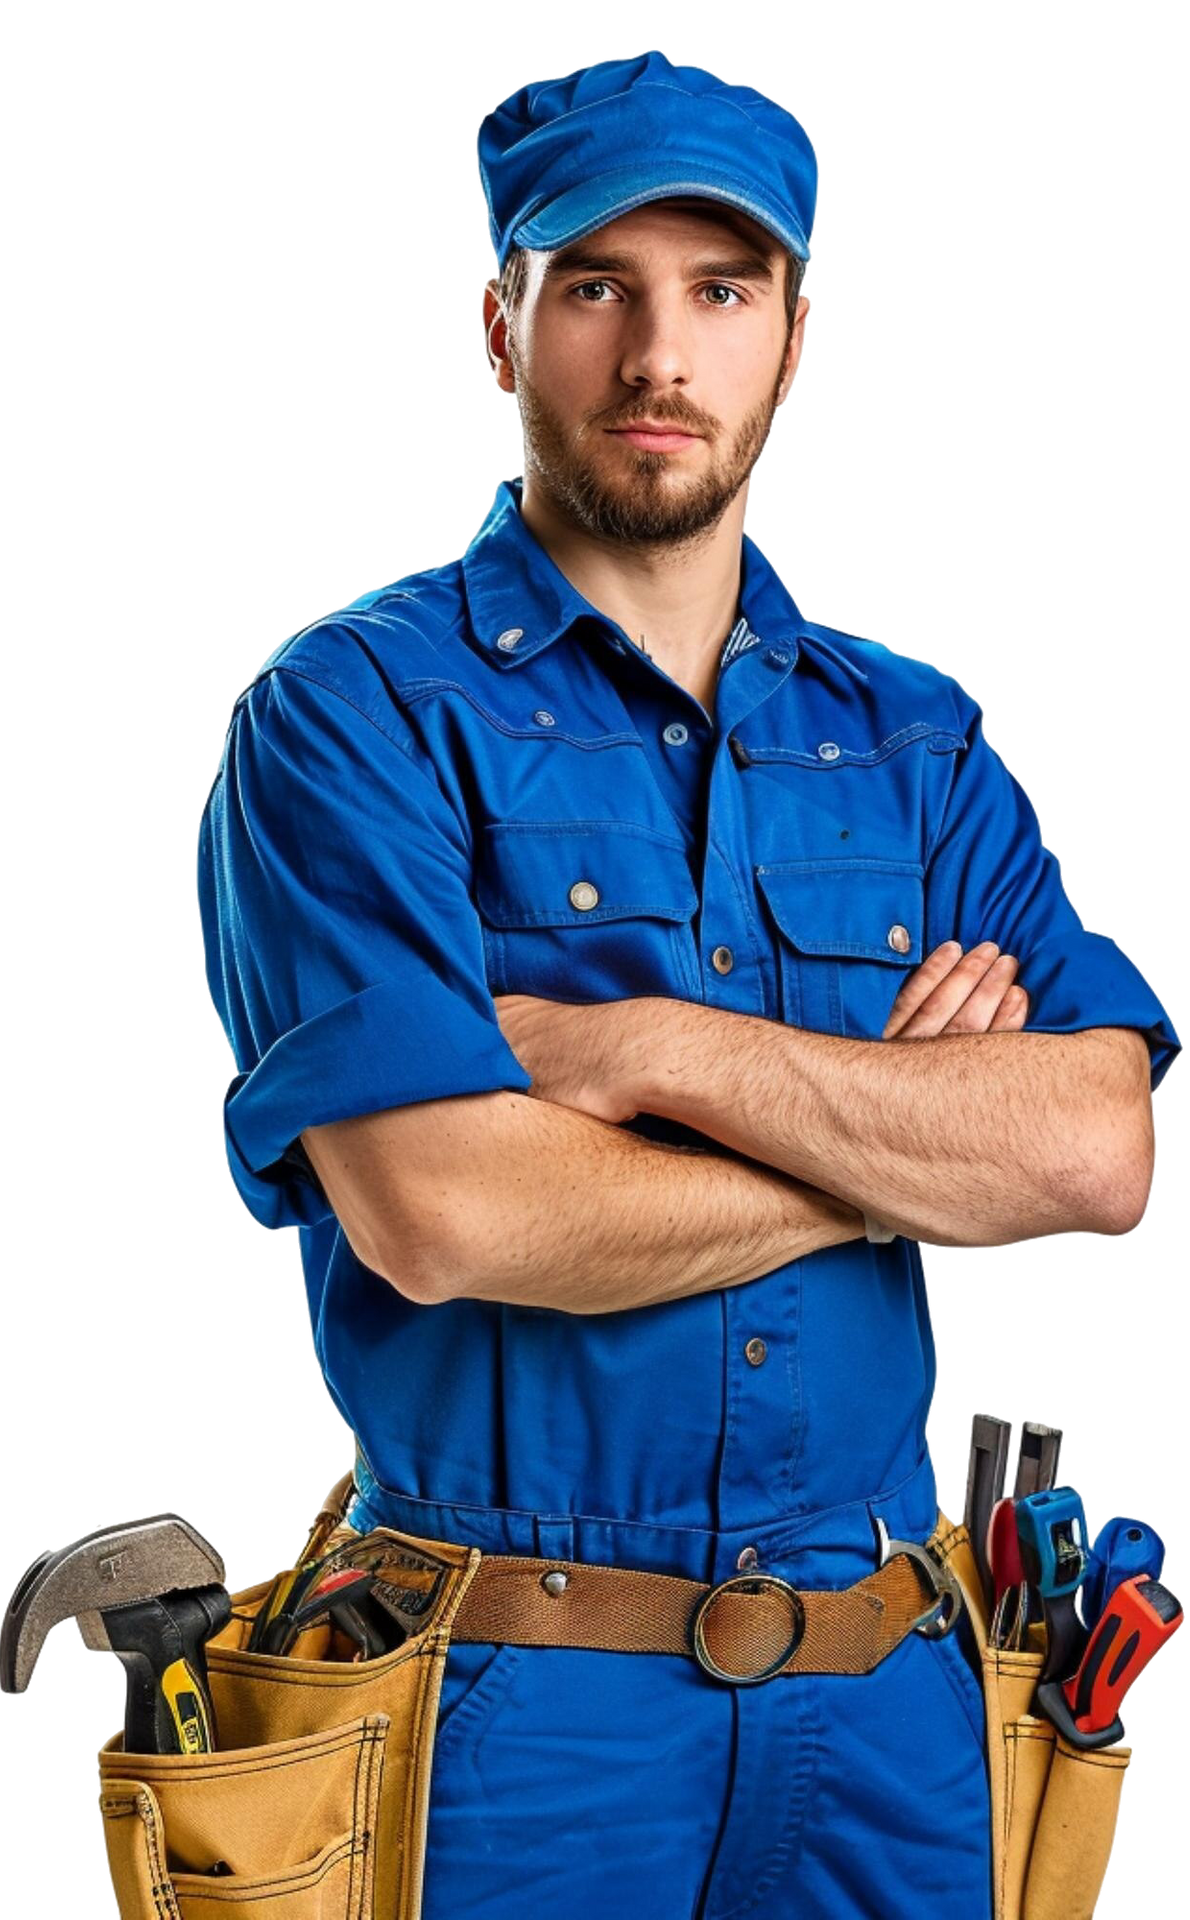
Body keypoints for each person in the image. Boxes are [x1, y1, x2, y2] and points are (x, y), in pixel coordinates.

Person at [194, 50, 1180, 1919]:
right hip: (515, 1707)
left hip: (894, 1709)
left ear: (793, 342)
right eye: (597, 288)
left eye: (721, 292)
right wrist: (892, 1152)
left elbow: (1091, 1154)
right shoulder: (349, 719)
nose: (661, 354)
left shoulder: (915, 740)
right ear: (501, 330)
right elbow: (443, 1208)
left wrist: (646, 1052)